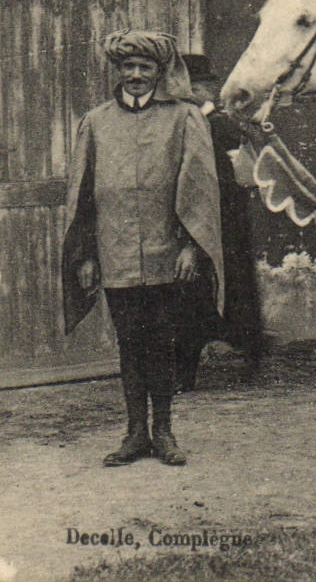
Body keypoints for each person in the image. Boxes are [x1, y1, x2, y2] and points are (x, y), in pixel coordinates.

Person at [60, 31, 223, 467]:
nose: (135, 75)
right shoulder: (95, 122)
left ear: (159, 72)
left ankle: (165, 432)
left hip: (167, 256)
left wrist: (192, 246)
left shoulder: (185, 118)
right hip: (114, 255)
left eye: (144, 68)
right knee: (129, 343)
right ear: (118, 71)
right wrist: (88, 256)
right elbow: (84, 198)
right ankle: (135, 434)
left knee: (164, 343)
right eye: (127, 67)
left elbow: (200, 191)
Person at [174, 54, 263, 389]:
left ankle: (250, 356)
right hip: (195, 218)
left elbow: (244, 176)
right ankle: (185, 370)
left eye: (197, 87)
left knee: (237, 287)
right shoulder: (182, 124)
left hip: (228, 221)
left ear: (207, 90)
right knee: (190, 293)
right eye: (188, 88)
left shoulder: (224, 127)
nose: (192, 94)